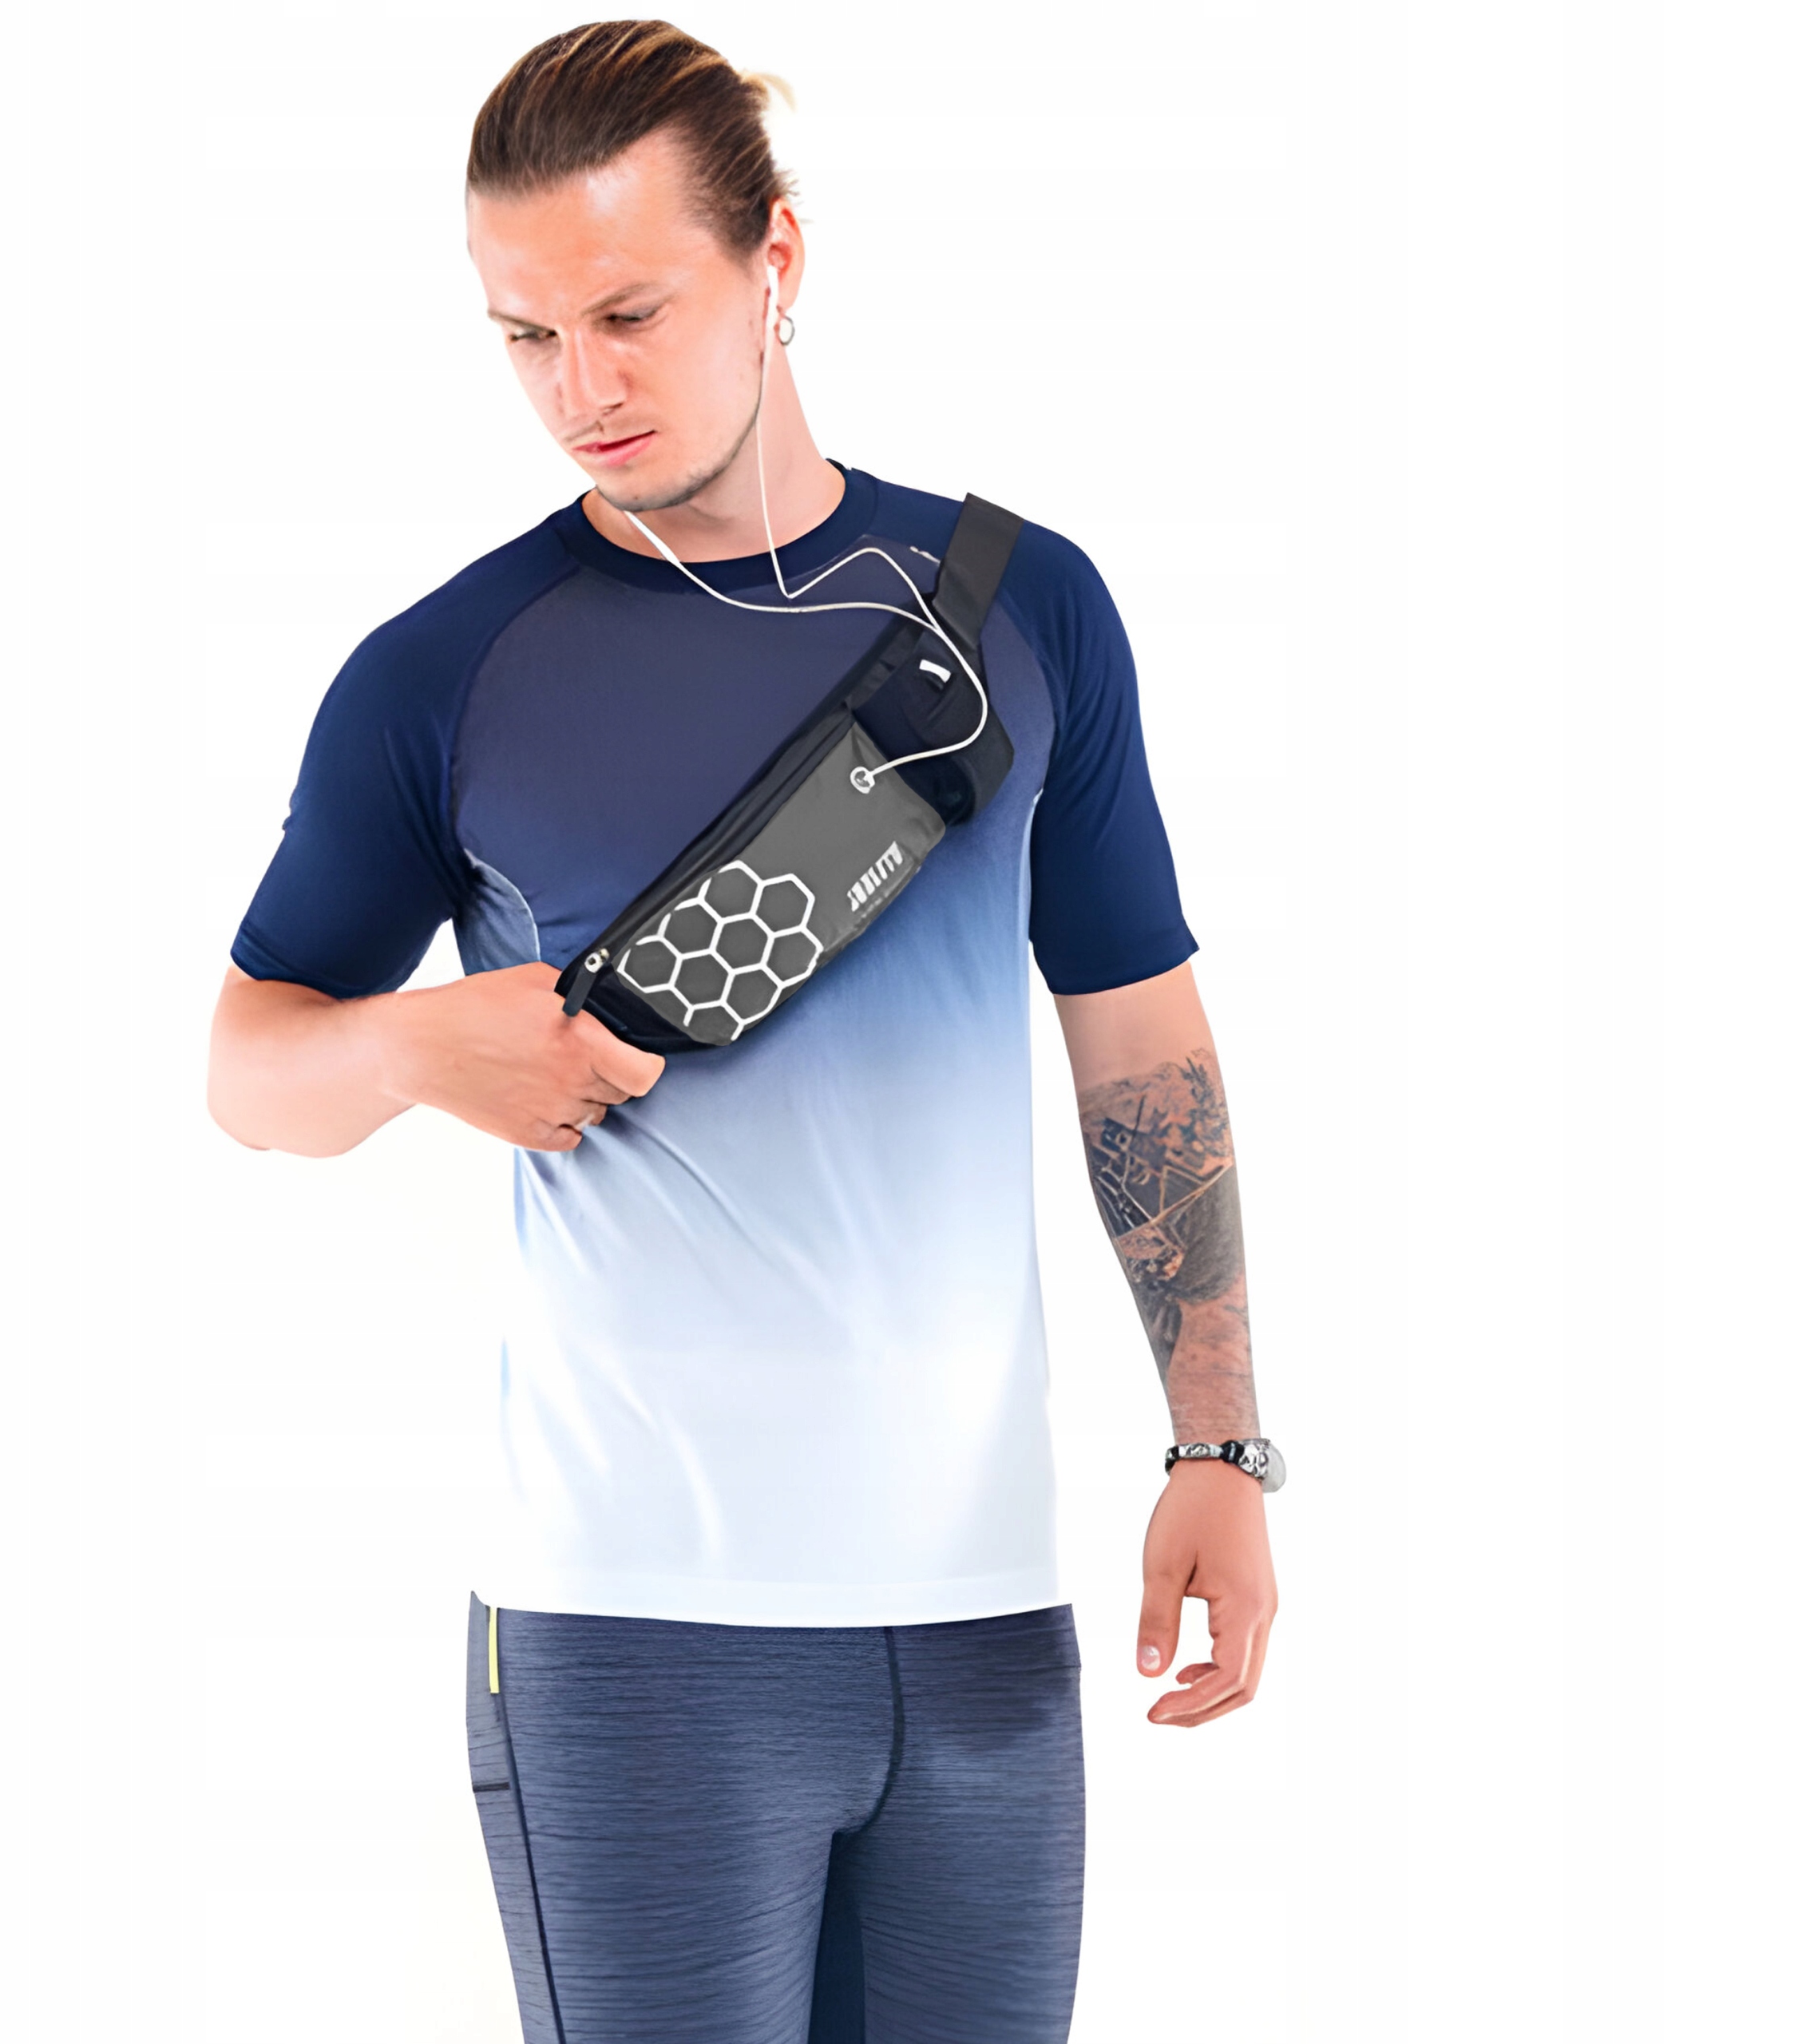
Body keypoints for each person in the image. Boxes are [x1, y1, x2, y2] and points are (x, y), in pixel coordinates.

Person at [207, 20, 1280, 2043]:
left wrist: (1216, 1438)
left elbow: (1141, 1041)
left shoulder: (1023, 609)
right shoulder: (446, 673)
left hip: (982, 1620)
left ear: (776, 257)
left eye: (629, 313)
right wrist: (418, 1047)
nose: (580, 388)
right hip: (631, 1629)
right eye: (523, 335)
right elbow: (245, 1066)